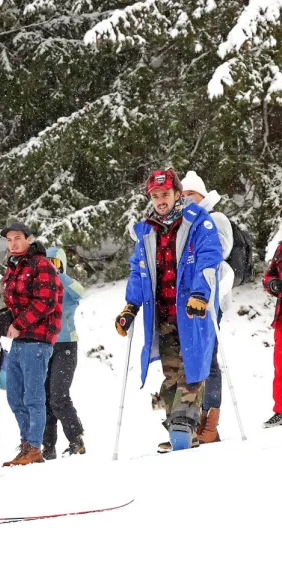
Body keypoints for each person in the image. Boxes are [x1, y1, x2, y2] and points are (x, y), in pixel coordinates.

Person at [115, 169, 223, 452]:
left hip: (191, 310)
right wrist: (130, 307)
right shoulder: (148, 231)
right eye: (155, 196)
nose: (160, 201)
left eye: (165, 194)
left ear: (178, 194)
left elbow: (208, 258)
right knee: (172, 376)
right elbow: (138, 273)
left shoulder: (198, 222)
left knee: (192, 371)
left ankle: (182, 430)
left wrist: (200, 292)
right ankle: (184, 431)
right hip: (162, 314)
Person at [0, 222, 62, 466]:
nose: (13, 243)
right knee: (14, 395)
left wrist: (19, 323)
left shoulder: (41, 265)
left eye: (17, 238)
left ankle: (35, 447)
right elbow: (17, 302)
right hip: (20, 338)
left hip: (38, 338)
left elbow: (45, 302)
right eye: (9, 239)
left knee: (33, 397)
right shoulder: (14, 267)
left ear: (28, 239)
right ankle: (26, 445)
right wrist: (3, 319)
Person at [180, 171, 234, 446]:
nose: (187, 199)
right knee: (191, 359)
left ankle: (210, 423)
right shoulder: (183, 224)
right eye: (184, 195)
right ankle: (193, 418)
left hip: (211, 298)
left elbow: (219, 253)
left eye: (192, 195)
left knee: (209, 359)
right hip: (188, 300)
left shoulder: (216, 218)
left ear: (202, 195)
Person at [42, 247, 86, 459]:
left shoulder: (67, 287)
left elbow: (81, 291)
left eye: (55, 262)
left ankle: (76, 440)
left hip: (66, 345)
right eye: (47, 262)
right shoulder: (42, 288)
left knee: (59, 396)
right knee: (44, 398)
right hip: (44, 345)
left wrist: (59, 275)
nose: (51, 266)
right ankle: (48, 447)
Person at [263, 240, 282, 429]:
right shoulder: (281, 248)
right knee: (281, 364)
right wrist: (273, 284)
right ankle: (281, 411)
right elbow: (268, 277)